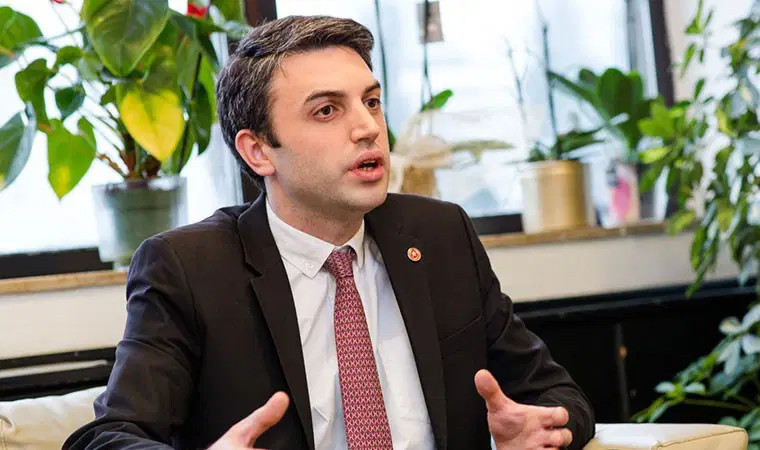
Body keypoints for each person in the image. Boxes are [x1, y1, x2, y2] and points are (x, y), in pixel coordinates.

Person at [64, 15, 594, 450]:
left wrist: (544, 429)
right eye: (326, 110)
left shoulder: (439, 236)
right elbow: (107, 438)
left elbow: (555, 393)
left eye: (371, 101)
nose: (367, 128)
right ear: (258, 151)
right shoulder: (189, 269)